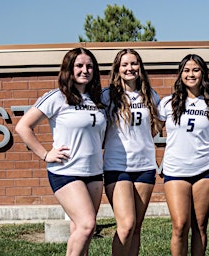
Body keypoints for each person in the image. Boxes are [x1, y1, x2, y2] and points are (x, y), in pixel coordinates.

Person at [15, 47, 106, 256]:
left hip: (93, 172)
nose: (85, 70)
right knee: (87, 225)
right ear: (69, 69)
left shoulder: (98, 100)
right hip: (66, 171)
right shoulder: (57, 97)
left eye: (90, 66)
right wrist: (46, 154)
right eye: (80, 66)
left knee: (81, 230)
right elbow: (23, 127)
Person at [157, 54, 209, 256]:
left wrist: (206, 142)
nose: (191, 74)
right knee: (180, 226)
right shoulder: (167, 103)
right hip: (176, 170)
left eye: (195, 70)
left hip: (205, 170)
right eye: (186, 70)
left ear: (203, 74)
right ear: (180, 74)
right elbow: (150, 131)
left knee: (200, 226)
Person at [102, 49, 160, 256]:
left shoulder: (150, 95)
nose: (130, 68)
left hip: (145, 166)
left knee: (136, 227)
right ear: (117, 69)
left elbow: (156, 127)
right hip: (117, 167)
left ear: (140, 67)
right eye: (125, 64)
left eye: (134, 64)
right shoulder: (107, 96)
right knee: (126, 225)